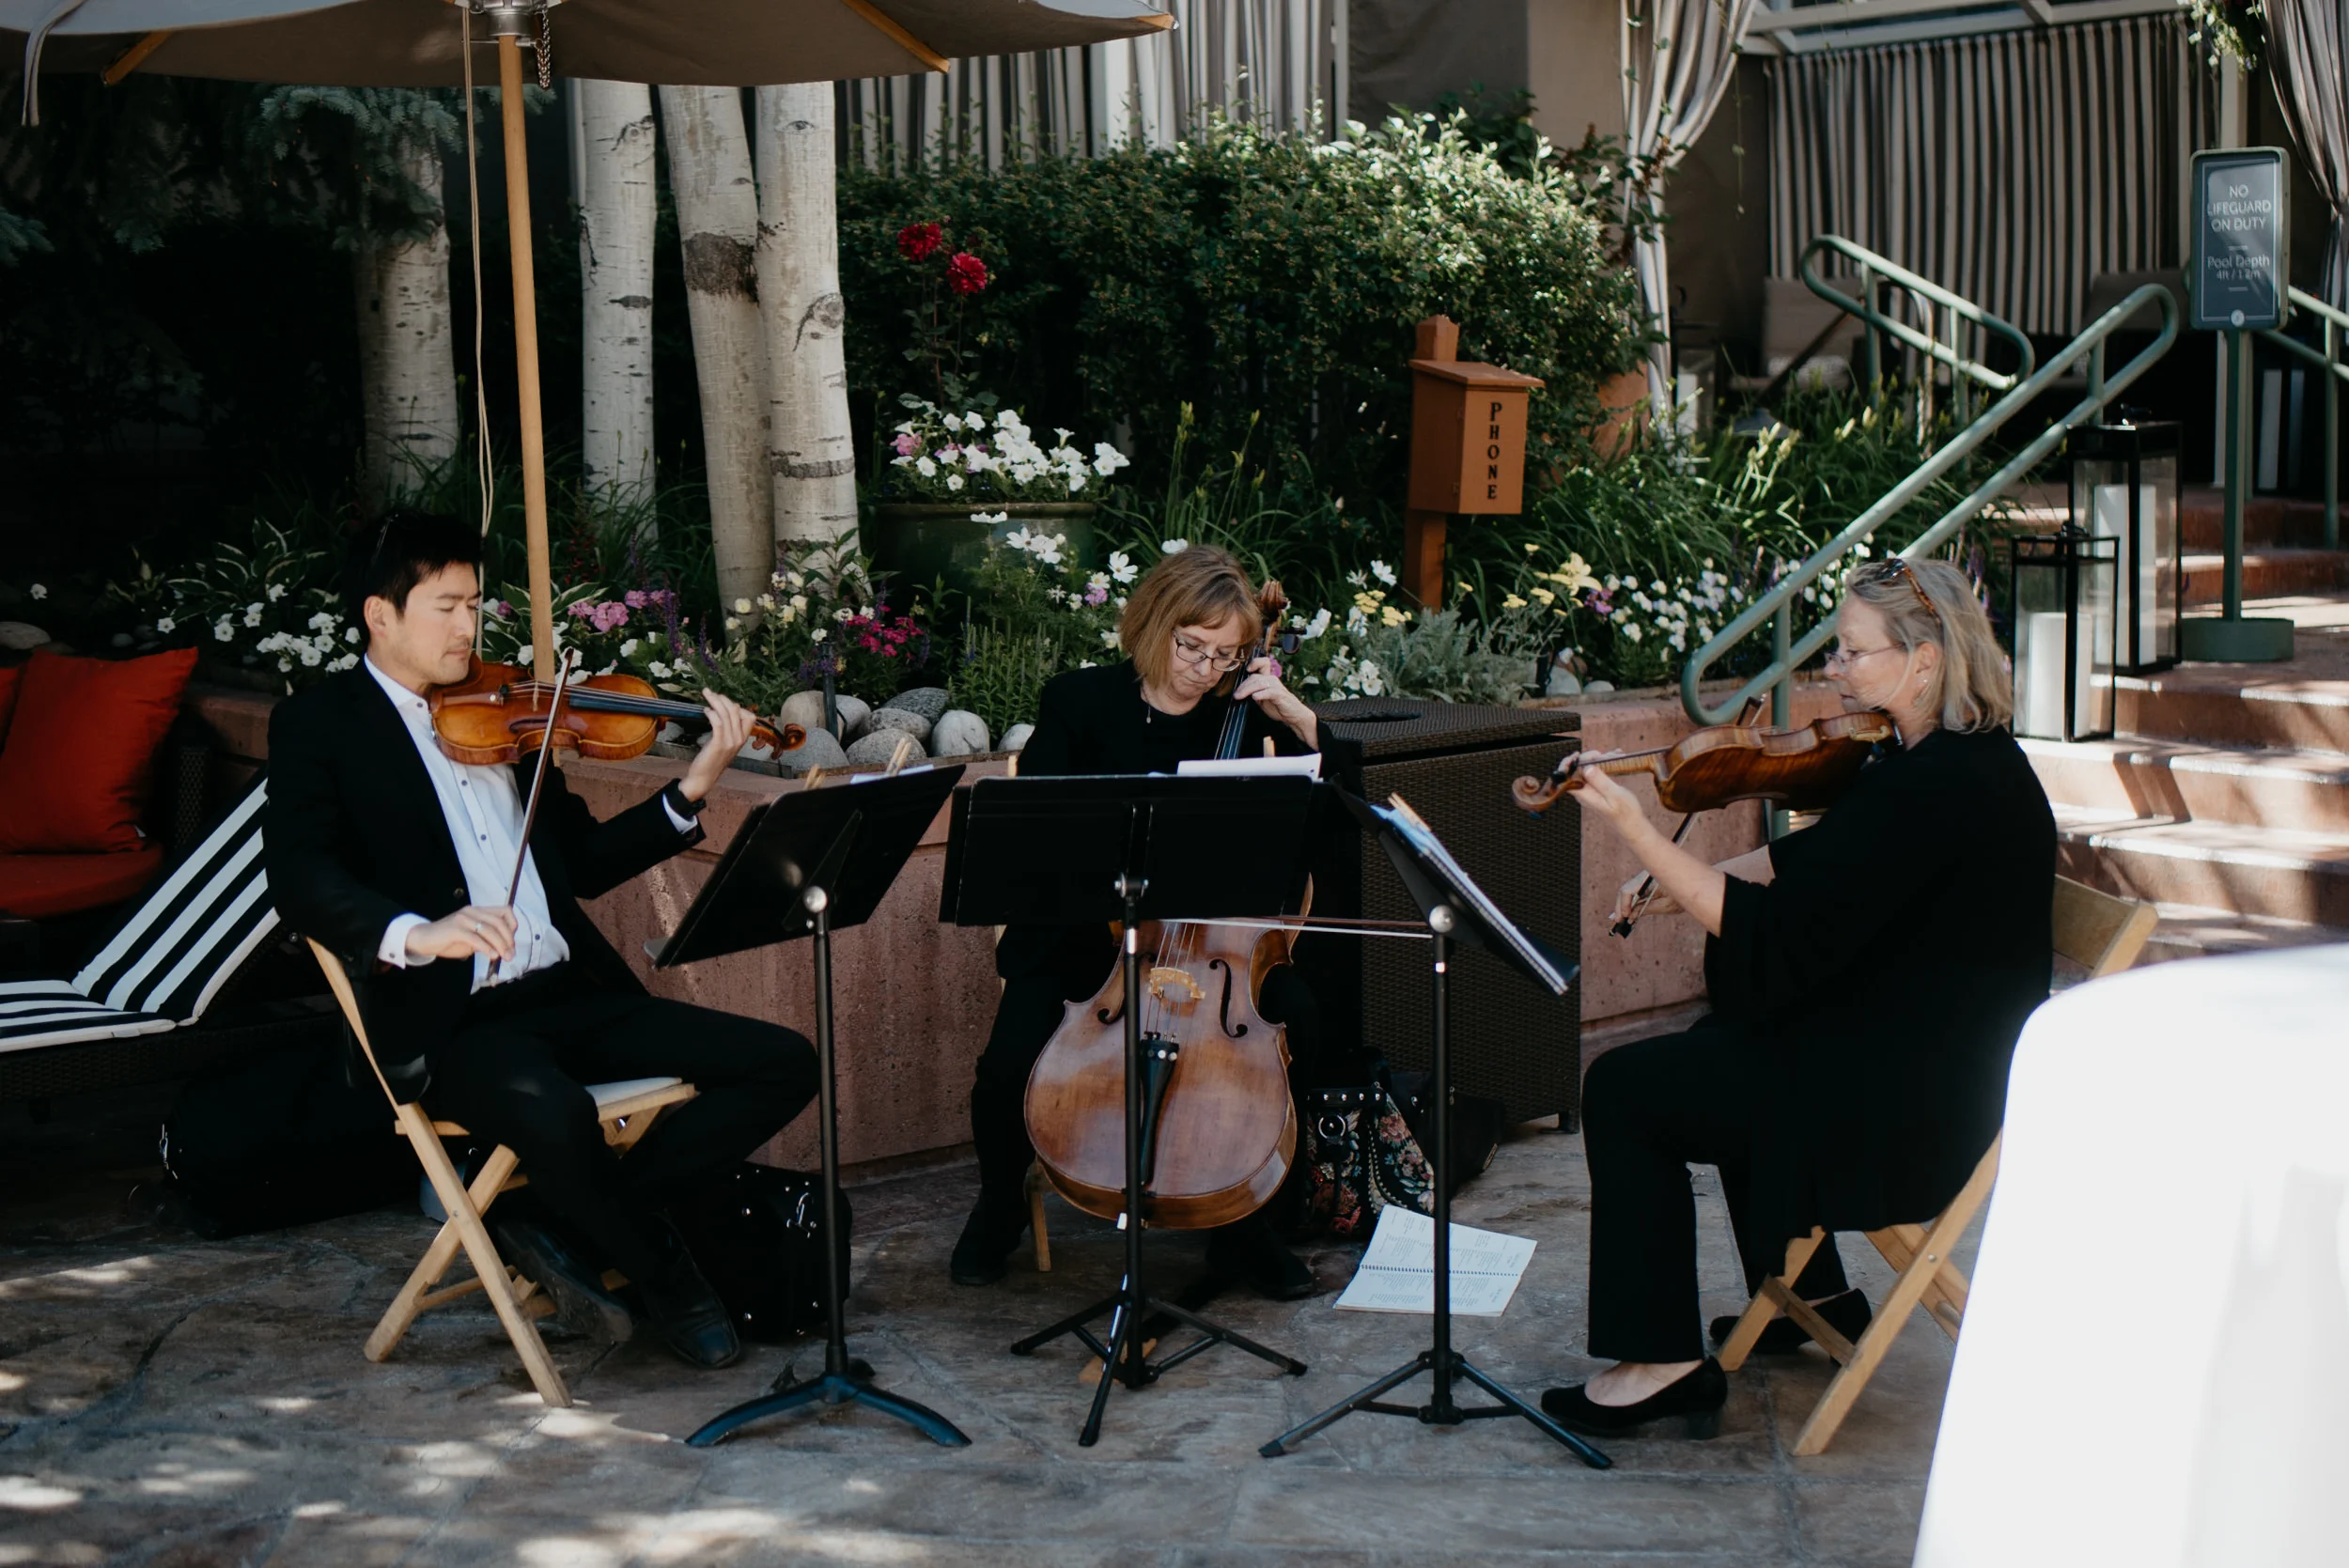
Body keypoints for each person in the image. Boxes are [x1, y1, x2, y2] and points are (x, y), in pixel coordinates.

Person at [266, 510, 819, 1371]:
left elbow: (584, 863)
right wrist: (421, 932)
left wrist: (692, 786)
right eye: (446, 605)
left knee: (785, 1060)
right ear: (380, 614)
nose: (467, 626)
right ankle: (664, 1273)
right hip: (454, 1023)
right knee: (555, 1114)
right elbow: (299, 876)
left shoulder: (512, 714)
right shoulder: (321, 726)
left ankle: (572, 1221)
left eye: (475, 604)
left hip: (566, 995)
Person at [1539, 556, 2055, 1437]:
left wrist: (1635, 829)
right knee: (1729, 1039)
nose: (1835, 672)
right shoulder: (1941, 763)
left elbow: (1773, 930)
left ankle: (1662, 1359)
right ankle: (1810, 1295)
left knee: (1625, 1088)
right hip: (1918, 1066)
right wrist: (1674, 879)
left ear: (1924, 660)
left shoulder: (1938, 789)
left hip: (1913, 1114)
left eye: (1854, 653)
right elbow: (1805, 867)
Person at [950, 545, 1332, 1299]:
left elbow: (1340, 811)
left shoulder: (1244, 713)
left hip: (1211, 951)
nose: (1207, 667)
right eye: (1194, 646)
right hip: (1084, 941)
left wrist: (1300, 719)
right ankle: (1000, 1204)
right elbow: (1046, 837)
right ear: (1156, 624)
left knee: (1304, 1022)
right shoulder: (1079, 702)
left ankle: (1242, 1221)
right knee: (1005, 1067)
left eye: (1226, 654)